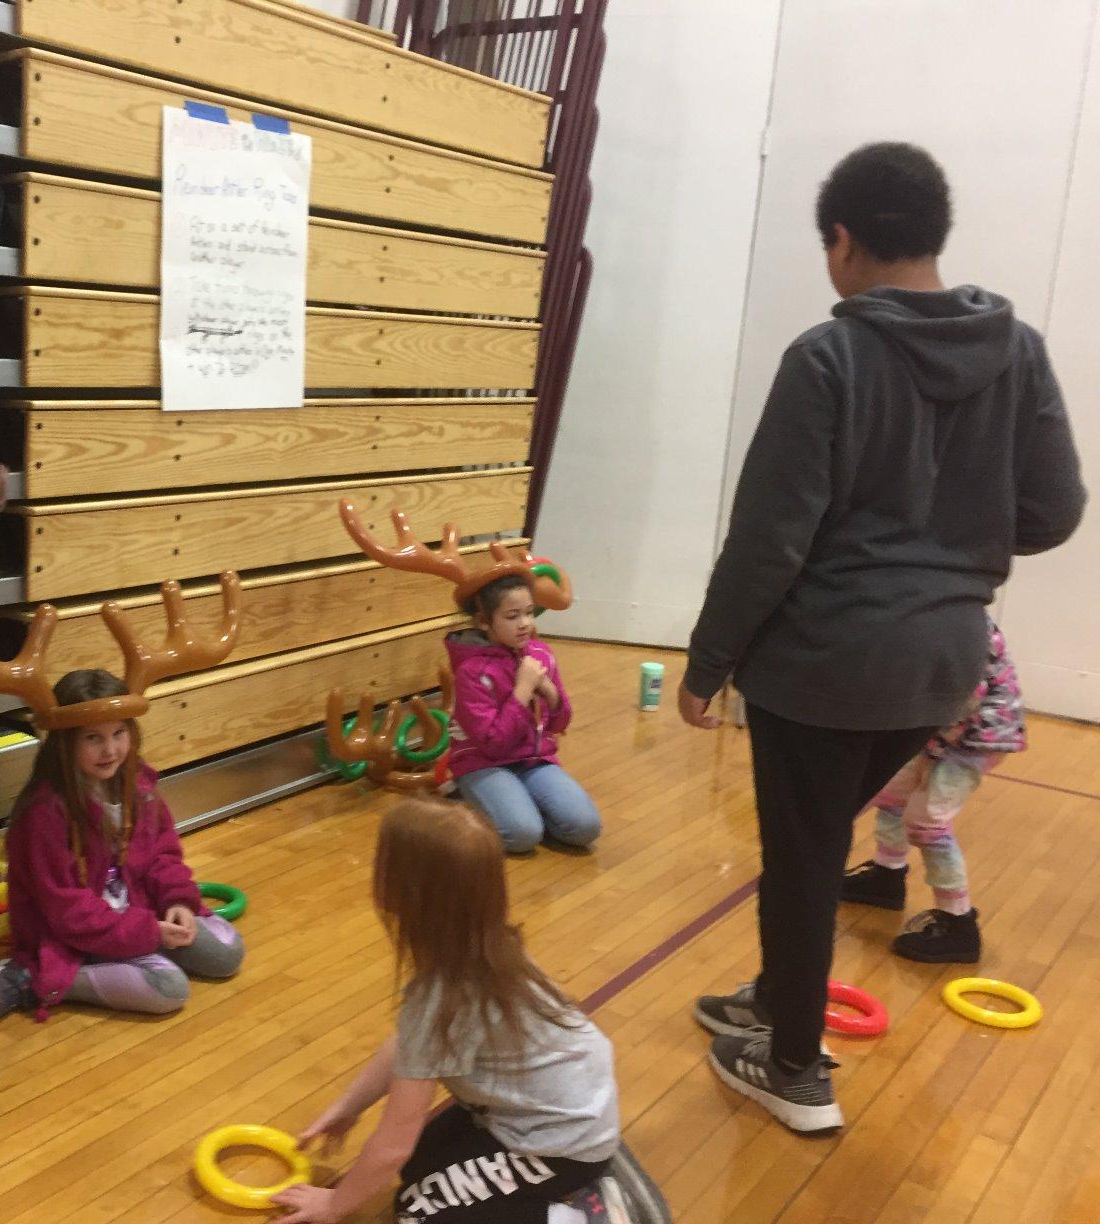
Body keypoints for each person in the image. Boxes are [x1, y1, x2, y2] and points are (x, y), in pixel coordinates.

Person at [679, 142, 1085, 1133]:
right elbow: (1057, 509)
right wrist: (958, 544)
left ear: (843, 240)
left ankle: (792, 1068)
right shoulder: (1019, 349)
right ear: (935, 236)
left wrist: (707, 664)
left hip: (824, 660)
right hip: (946, 665)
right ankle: (781, 1001)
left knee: (806, 857)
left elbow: (772, 538)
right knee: (815, 843)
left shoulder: (829, 355)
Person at [270, 798, 631, 1223]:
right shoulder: (489, 947)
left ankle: (580, 1215)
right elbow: (411, 1049)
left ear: (407, 893)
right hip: (556, 1109)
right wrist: (349, 1107)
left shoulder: (443, 995)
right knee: (421, 1167)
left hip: (565, 1143)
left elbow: (390, 1147)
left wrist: (334, 1205)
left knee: (417, 1210)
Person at [0, 670, 245, 1026]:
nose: (111, 750)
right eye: (93, 738)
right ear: (65, 743)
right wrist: (148, 932)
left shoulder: (138, 783)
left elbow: (163, 854)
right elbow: (68, 912)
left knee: (228, 954)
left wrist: (176, 901)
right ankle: (30, 979)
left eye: (119, 733)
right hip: (72, 934)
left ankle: (141, 949)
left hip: (136, 912)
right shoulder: (44, 812)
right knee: (169, 989)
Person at [842, 614, 1025, 963]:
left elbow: (965, 700)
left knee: (927, 824)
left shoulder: (957, 624)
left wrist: (933, 752)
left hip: (973, 737)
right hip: (939, 727)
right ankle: (886, 877)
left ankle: (959, 924)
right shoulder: (923, 611)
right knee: (892, 792)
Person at [446, 574, 601, 854]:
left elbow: (560, 723)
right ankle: (474, 797)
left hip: (532, 759)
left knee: (585, 828)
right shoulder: (470, 671)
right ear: (484, 621)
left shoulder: (541, 654)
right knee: (522, 836)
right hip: (484, 763)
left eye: (529, 612)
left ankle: (520, 805)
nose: (525, 623)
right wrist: (523, 689)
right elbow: (494, 744)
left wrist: (550, 692)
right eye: (512, 616)